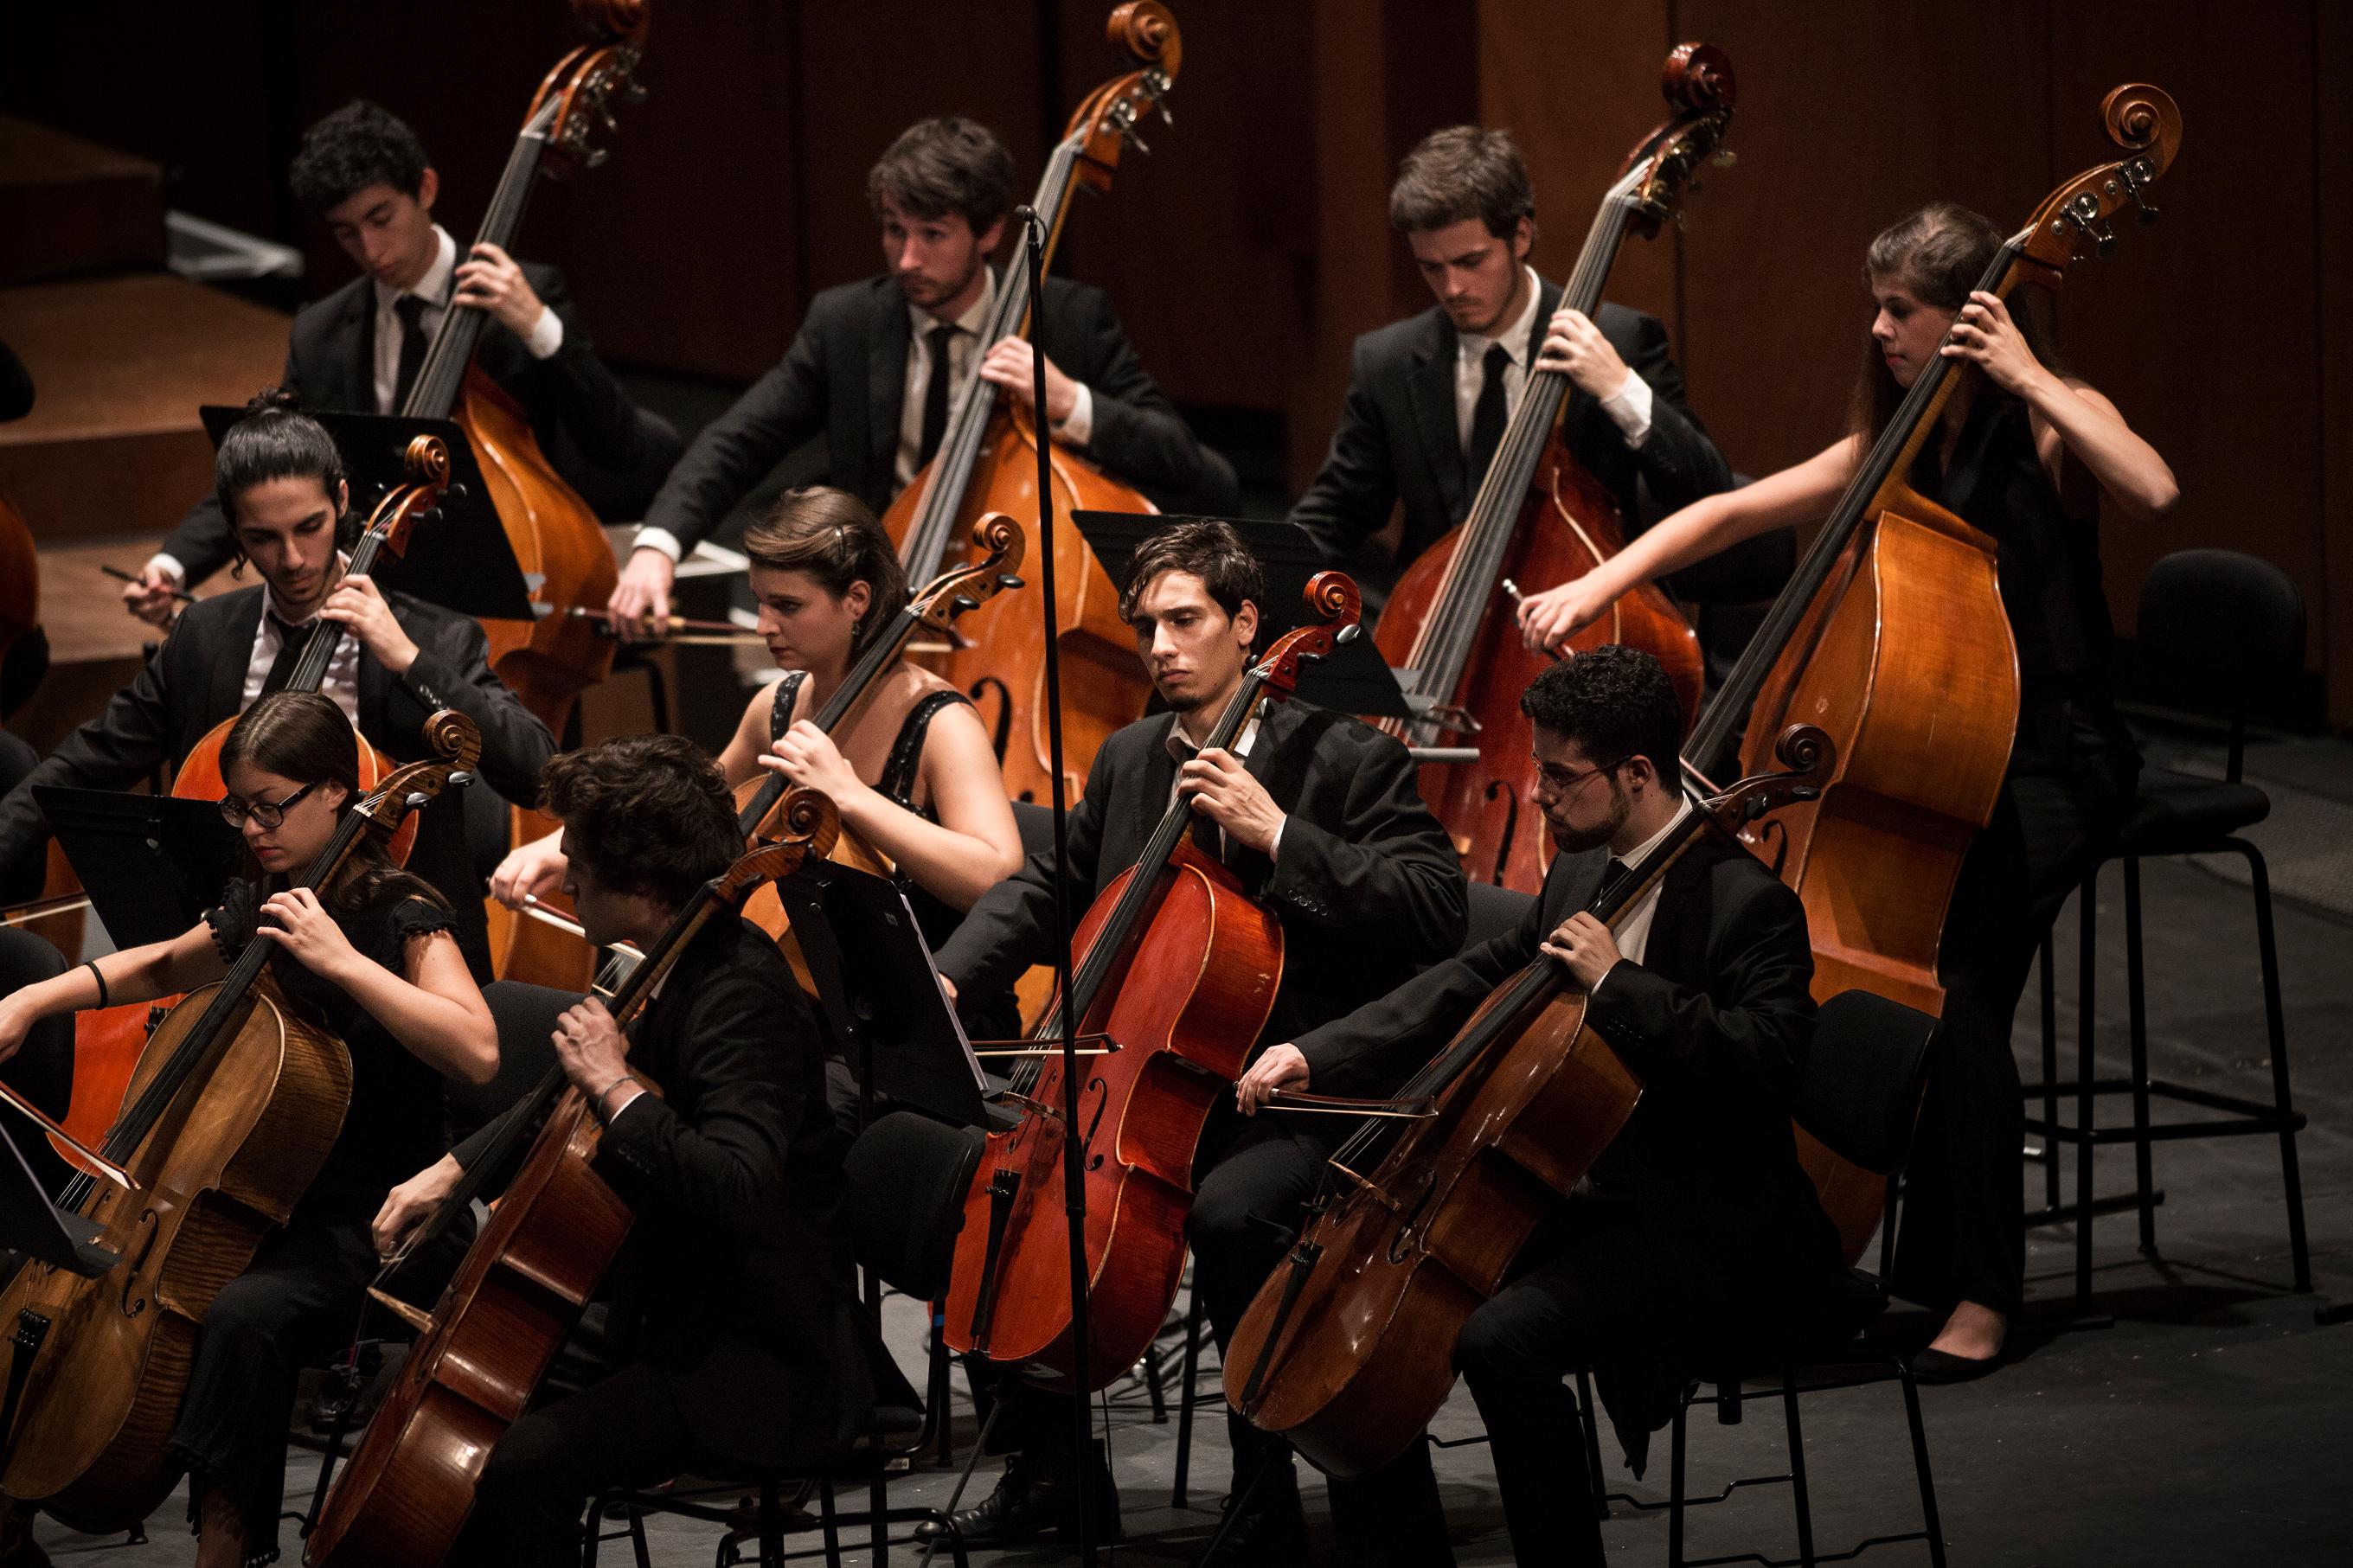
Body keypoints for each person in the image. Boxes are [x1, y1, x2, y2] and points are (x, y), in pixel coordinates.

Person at [1513, 202, 2178, 1379]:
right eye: (1877, 306)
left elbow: (2155, 487)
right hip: (1945, 762)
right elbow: (1735, 508)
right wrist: (1604, 577)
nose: (1877, 329)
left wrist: (2027, 372)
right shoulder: (1900, 441)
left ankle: (1978, 1294)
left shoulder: (2045, 432)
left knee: (1956, 999)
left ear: (1974, 316)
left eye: (1901, 310)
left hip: (2056, 758)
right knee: (1918, 990)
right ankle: (1900, 1265)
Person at [921, 519, 1468, 1565]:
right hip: (1149, 1084)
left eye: (1185, 621)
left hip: (1304, 1087)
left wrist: (1278, 835)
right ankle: (1049, 1473)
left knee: (1231, 1212)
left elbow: (1437, 907)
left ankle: (1265, 1495)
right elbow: (1053, 886)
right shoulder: (1133, 757)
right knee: (976, 1175)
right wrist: (954, 973)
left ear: (1246, 624)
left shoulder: (1343, 754)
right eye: (1146, 627)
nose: (1161, 646)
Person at [1247, 647, 1841, 1566]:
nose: (1539, 796)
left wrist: (1619, 985)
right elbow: (1480, 974)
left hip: (1696, 1219)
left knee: (1498, 1340)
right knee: (1382, 1289)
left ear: (1636, 773)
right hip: (1579, 1189)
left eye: (1558, 777)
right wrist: (1316, 1051)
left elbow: (1771, 1057)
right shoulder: (1581, 869)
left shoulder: (1746, 903)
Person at [0, 692, 500, 1568]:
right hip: (263, 1200)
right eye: (239, 806)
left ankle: (224, 1554)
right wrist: (34, 997)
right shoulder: (265, 892)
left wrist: (340, 961)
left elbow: (478, 1049)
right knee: (47, 1265)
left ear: (335, 793)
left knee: (243, 1318)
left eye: (270, 806)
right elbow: (163, 960)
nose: (251, 826)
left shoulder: (399, 907)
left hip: (380, 1212)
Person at [374, 734, 865, 1565]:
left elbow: (736, 1187)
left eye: (577, 852)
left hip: (748, 1355)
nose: (563, 865)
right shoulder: (657, 955)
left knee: (520, 1461)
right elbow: (557, 1101)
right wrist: (455, 1169)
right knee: (423, 1395)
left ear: (637, 877)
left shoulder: (739, 996)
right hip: (651, 1306)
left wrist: (617, 1085)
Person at [606, 115, 1236, 630]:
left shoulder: (1067, 321)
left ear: (990, 231)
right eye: (893, 231)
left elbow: (1188, 467)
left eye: (932, 234)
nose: (907, 258)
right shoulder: (847, 322)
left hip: (1024, 609)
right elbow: (737, 441)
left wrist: (1072, 401)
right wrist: (658, 548)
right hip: (886, 598)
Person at [0, 397, 557, 968]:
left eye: (309, 527)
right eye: (263, 537)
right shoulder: (206, 635)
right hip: (237, 948)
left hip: (402, 959)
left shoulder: (432, 637)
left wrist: (409, 660)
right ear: (233, 529)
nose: (292, 558)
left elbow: (537, 771)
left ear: (341, 500)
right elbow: (90, 758)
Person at [490, 484, 1025, 1038]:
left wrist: (851, 797)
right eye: (761, 601)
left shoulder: (942, 724)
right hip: (804, 1008)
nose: (762, 624)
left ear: (857, 600)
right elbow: (685, 816)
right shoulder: (778, 705)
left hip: (921, 1021)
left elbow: (999, 880)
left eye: (787, 606)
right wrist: (565, 847)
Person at [121, 99, 676, 625]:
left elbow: (619, 445)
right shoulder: (321, 333)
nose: (371, 250)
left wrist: (536, 325)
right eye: (346, 233)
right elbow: (275, 467)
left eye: (381, 218)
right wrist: (172, 565)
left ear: (426, 189)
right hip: (378, 591)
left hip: (516, 582)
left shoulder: (524, 298)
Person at [1288, 126, 1733, 600]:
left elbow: (1708, 492)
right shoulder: (1387, 362)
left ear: (1520, 236)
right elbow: (1337, 512)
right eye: (1431, 267)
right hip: (1430, 618)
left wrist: (1620, 387)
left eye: (1471, 261)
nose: (1452, 288)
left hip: (1585, 620)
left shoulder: (1621, 340)